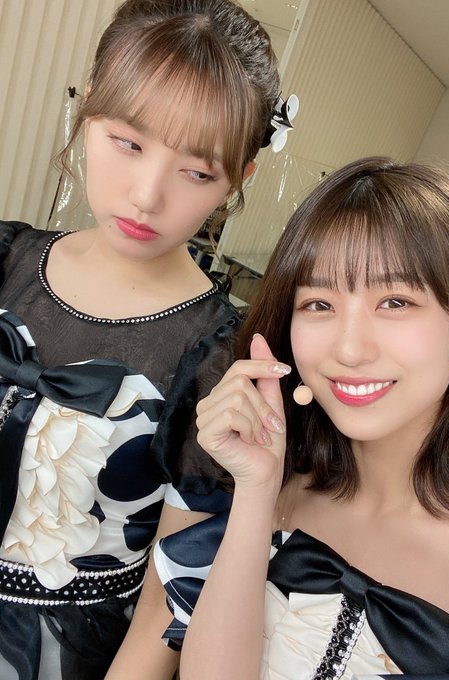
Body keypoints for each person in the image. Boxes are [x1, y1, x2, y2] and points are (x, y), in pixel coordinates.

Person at [0, 1, 288, 678]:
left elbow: (168, 601)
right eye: (127, 143)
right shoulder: (5, 258)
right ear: (87, 108)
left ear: (239, 178)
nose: (147, 196)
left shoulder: (219, 356)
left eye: (197, 172)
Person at [156, 157, 449, 679]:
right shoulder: (275, 494)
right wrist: (257, 491)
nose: (348, 349)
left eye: (395, 301)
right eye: (319, 304)